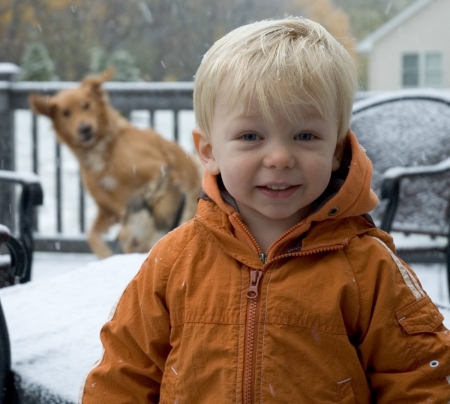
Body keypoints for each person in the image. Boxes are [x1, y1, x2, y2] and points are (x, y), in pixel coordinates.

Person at [80, 17, 450, 403]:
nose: (278, 157)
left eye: (305, 135)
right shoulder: (174, 262)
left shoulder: (368, 267)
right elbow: (123, 377)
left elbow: (419, 380)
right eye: (250, 136)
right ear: (209, 152)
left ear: (336, 150)